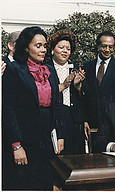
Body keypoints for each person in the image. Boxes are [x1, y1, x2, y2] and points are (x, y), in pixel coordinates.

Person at [2, 26, 65, 190]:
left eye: (45, 46)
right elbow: (8, 111)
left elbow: (56, 105)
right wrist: (16, 145)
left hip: (45, 141)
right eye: (38, 46)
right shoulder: (14, 70)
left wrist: (60, 135)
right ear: (25, 47)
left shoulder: (49, 70)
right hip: (23, 141)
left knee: (44, 183)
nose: (43, 50)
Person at [82, 30, 115, 148]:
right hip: (91, 123)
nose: (107, 50)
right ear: (98, 46)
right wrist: (84, 120)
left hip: (112, 122)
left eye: (111, 46)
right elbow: (83, 98)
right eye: (104, 46)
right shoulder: (86, 67)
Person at [47, 30, 86, 155]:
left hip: (74, 119)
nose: (65, 51)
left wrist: (77, 85)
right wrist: (64, 85)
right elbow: (46, 94)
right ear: (53, 49)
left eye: (68, 49)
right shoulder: (46, 68)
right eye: (61, 47)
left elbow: (83, 98)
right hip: (55, 119)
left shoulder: (74, 68)